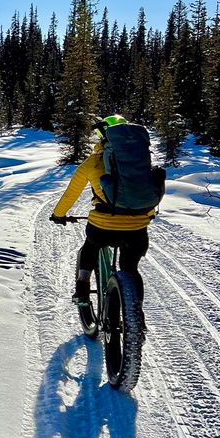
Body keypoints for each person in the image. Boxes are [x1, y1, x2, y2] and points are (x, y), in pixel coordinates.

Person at [49, 115, 156, 306]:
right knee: (130, 269)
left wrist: (58, 215)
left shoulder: (93, 162)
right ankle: (135, 317)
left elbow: (70, 195)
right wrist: (146, 215)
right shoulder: (141, 161)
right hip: (137, 230)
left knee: (89, 247)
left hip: (102, 228)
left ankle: (82, 290)